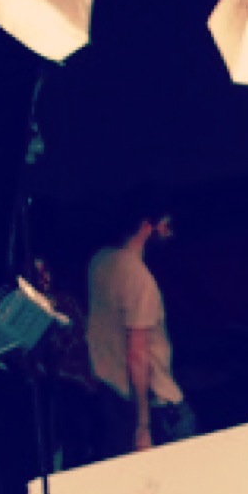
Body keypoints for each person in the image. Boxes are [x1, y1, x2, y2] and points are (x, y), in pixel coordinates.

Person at [86, 190, 196, 456]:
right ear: (147, 226)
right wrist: (143, 426)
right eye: (166, 225)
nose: (170, 233)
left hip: (112, 394)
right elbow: (137, 354)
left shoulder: (100, 262)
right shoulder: (140, 280)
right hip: (155, 404)